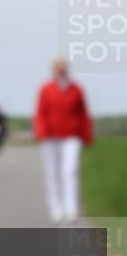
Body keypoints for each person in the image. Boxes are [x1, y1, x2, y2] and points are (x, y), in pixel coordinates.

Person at [33, 58, 93, 225]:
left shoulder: (76, 89)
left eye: (63, 68)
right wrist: (42, 131)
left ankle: (71, 208)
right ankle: (55, 208)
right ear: (53, 71)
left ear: (67, 70)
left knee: (70, 170)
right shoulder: (46, 89)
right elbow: (40, 112)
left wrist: (87, 134)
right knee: (53, 172)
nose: (60, 71)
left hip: (71, 136)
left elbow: (83, 113)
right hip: (50, 137)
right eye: (57, 69)